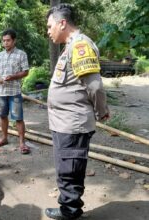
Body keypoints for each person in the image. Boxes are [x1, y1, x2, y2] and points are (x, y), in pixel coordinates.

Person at [45, 4, 109, 220]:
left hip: (72, 124)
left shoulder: (80, 45)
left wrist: (102, 111)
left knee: (69, 171)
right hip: (65, 123)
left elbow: (94, 86)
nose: (48, 31)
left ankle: (70, 213)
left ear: (62, 23)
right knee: (67, 169)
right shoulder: (70, 46)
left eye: (50, 26)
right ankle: (68, 209)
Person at [0, 29, 30, 154]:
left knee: (18, 118)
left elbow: (26, 71)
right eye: (4, 41)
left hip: (14, 92)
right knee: (2, 116)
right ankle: (4, 138)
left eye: (8, 40)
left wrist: (13, 77)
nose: (6, 43)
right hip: (1, 92)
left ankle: (22, 143)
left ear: (14, 41)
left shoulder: (21, 54)